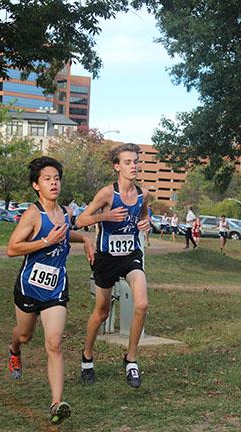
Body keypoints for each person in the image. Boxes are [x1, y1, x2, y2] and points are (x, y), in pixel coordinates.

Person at [5, 157, 95, 425]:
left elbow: (66, 234)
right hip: (29, 285)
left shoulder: (66, 213)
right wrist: (45, 241)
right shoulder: (33, 214)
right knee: (24, 334)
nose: (54, 183)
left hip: (56, 287)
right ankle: (13, 350)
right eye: (47, 179)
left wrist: (86, 238)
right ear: (36, 185)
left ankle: (56, 404)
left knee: (54, 342)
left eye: (56, 178)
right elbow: (12, 248)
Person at [75, 143, 151, 389]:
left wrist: (146, 223)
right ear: (117, 167)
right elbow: (80, 220)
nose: (134, 166)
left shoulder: (143, 194)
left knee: (142, 303)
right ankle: (87, 356)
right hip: (107, 258)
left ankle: (131, 360)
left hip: (131, 255)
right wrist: (103, 217)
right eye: (128, 162)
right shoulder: (107, 194)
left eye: (136, 162)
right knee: (102, 312)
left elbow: (143, 215)